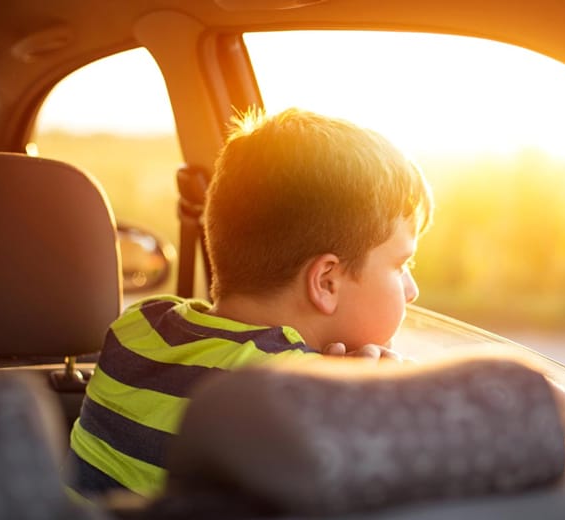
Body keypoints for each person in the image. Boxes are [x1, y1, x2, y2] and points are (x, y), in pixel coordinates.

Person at [66, 107, 434, 500]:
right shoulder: (299, 397)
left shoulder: (138, 327)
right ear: (326, 282)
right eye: (401, 265)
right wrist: (363, 398)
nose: (412, 290)